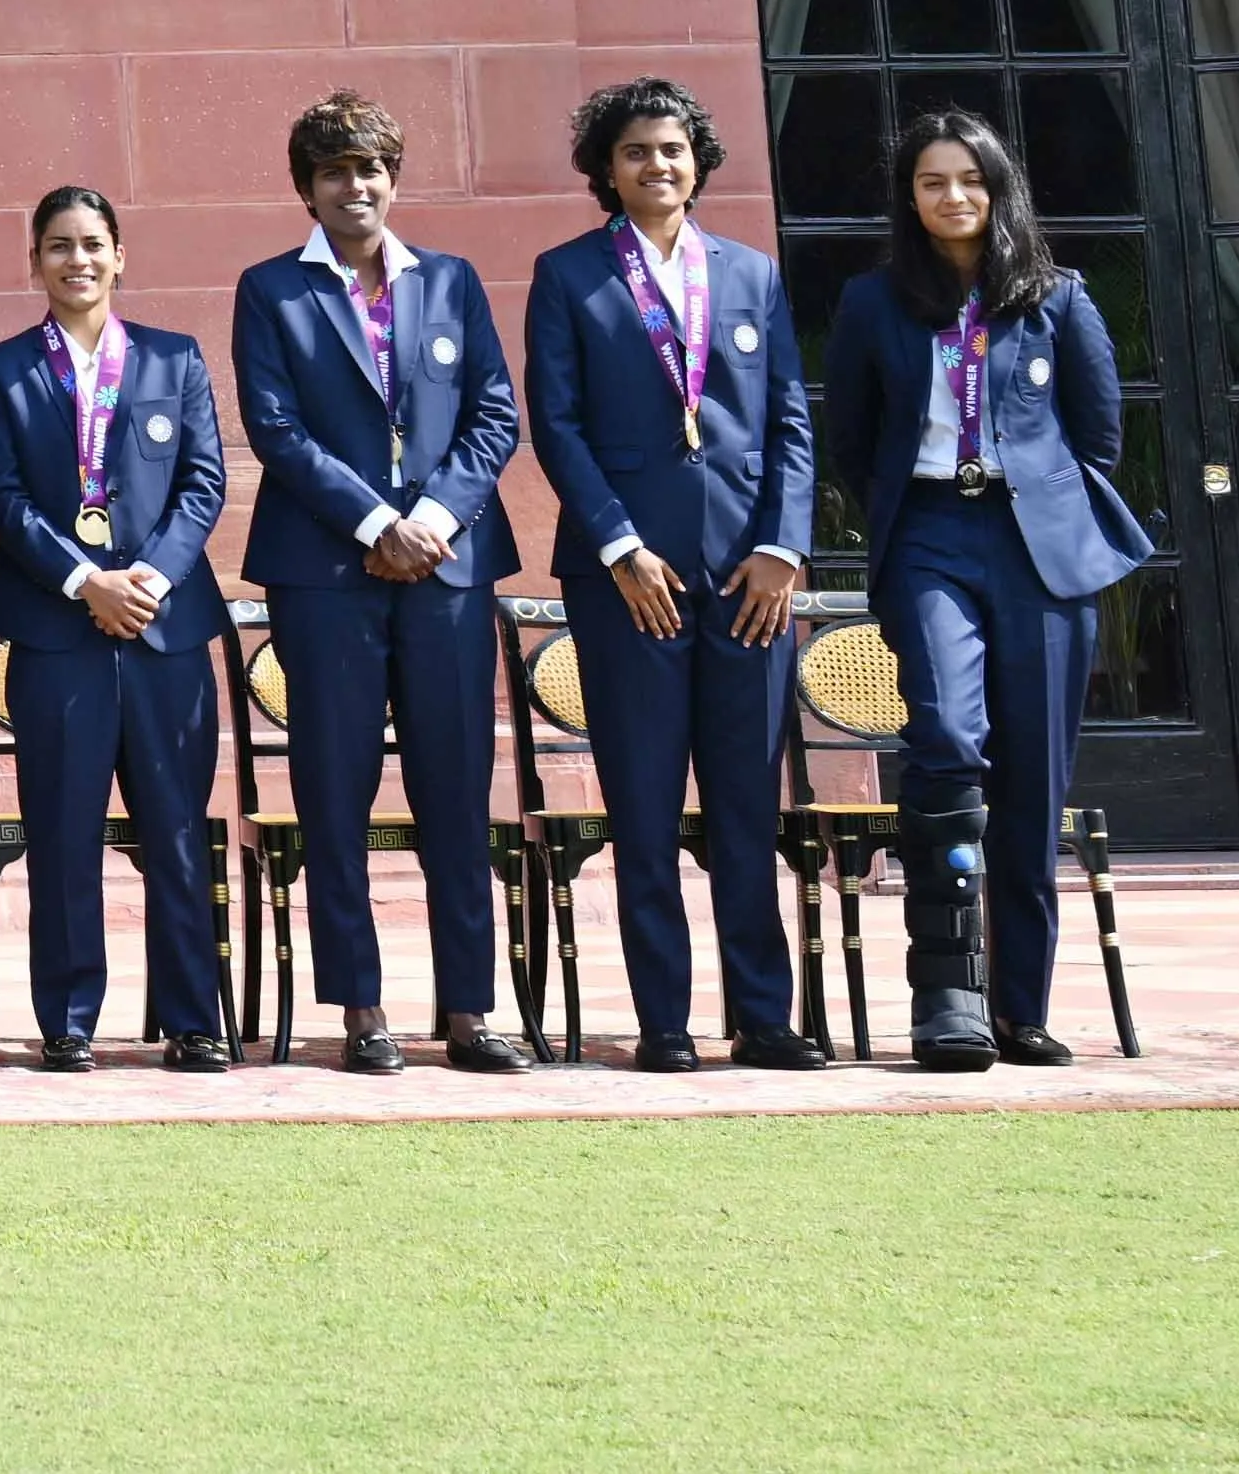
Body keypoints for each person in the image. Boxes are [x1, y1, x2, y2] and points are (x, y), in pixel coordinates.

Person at [823, 108, 1145, 1070]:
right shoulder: (874, 302)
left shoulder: (1057, 298)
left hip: (1037, 549)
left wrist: (1038, 500)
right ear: (909, 199)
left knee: (1033, 778)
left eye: (971, 179)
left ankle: (1020, 1006)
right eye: (932, 181)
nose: (953, 196)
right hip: (929, 534)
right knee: (948, 737)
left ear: (1000, 189)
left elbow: (1098, 440)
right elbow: (853, 439)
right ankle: (948, 996)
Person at [227, 88, 530, 1076]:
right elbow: (276, 429)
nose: (355, 186)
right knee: (335, 787)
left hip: (448, 567)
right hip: (327, 569)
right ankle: (361, 1004)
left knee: (456, 784)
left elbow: (494, 414)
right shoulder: (274, 289)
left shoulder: (449, 281)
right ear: (306, 190)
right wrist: (374, 522)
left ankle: (471, 1007)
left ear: (394, 179)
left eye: (371, 168)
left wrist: (432, 520)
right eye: (334, 171)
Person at [524, 77, 820, 1075]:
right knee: (644, 809)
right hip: (627, 584)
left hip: (749, 583)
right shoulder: (569, 277)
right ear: (606, 170)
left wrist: (782, 546)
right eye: (638, 151)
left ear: (700, 160)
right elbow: (556, 426)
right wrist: (618, 545)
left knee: (747, 809)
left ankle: (765, 1016)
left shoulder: (751, 274)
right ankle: (664, 1020)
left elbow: (789, 421)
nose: (660, 164)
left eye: (675, 149)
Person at [0, 188, 230, 1073]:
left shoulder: (173, 359)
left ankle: (194, 1017)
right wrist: (86, 581)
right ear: (33, 262)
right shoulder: (4, 369)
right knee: (62, 830)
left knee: (178, 832)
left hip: (164, 630)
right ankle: (69, 1019)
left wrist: (146, 579)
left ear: (121, 256)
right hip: (55, 634)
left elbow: (203, 485)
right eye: (56, 247)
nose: (76, 261)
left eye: (92, 245)